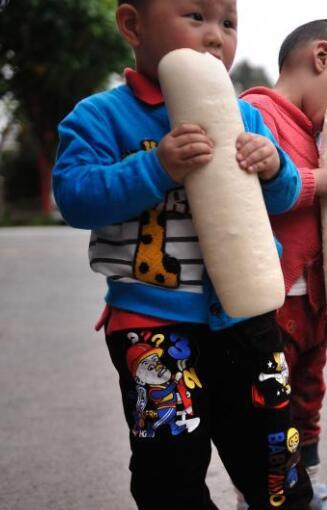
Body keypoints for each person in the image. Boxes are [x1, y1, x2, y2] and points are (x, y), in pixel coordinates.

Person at [51, 1, 313, 508]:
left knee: (273, 450)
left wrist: (274, 167)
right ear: (133, 25)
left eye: (228, 23)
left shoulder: (246, 117)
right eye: (196, 16)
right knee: (169, 461)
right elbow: (74, 196)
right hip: (152, 323)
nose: (216, 37)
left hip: (247, 318)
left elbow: (282, 198)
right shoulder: (102, 116)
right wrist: (156, 168)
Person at [240, 19, 327, 510]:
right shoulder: (257, 114)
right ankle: (264, 489)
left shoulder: (326, 138)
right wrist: (316, 183)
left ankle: (307, 481)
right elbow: (247, 194)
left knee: (307, 394)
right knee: (269, 403)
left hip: (314, 301)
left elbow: (326, 205)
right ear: (321, 57)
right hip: (272, 300)